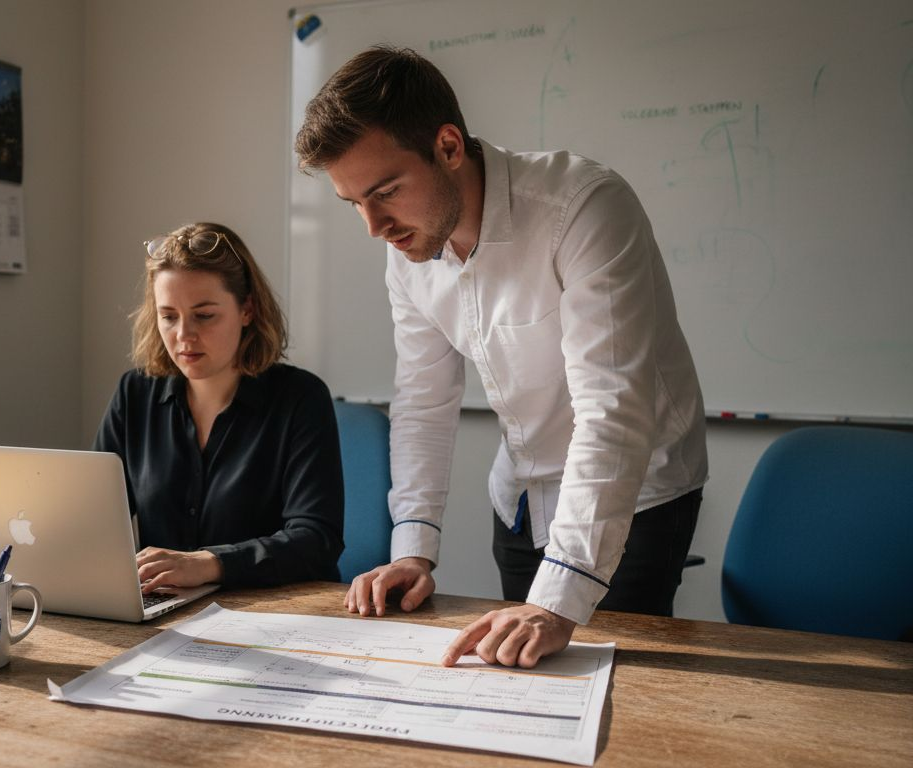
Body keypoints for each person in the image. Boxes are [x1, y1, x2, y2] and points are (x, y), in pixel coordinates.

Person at [295, 47, 708, 668]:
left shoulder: (585, 207)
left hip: (635, 495)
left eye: (385, 192)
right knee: (521, 677)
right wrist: (412, 550)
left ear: (448, 146)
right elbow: (423, 402)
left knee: (628, 689)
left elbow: (611, 409)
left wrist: (558, 600)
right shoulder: (408, 247)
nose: (373, 226)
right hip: (519, 498)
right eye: (354, 203)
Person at [93, 222, 344, 591]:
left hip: (271, 610)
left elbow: (317, 540)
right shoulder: (135, 393)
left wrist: (211, 563)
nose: (184, 335)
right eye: (169, 316)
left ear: (247, 310)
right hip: (164, 608)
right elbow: (94, 518)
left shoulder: (301, 398)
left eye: (204, 315)